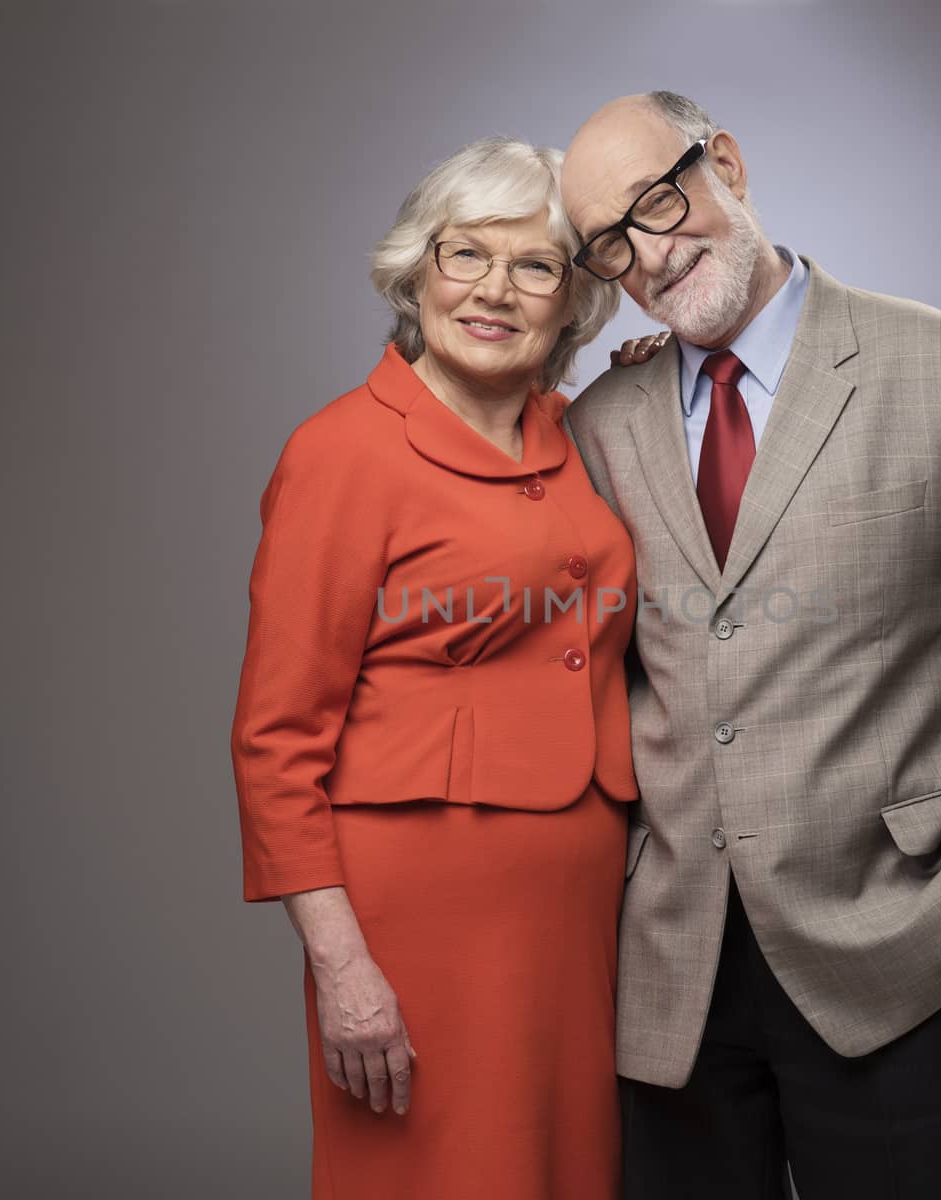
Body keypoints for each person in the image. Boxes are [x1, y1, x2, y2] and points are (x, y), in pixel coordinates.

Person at [560, 92, 941, 1199]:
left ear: (727, 163)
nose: (650, 258)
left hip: (900, 956)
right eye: (612, 243)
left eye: (661, 205)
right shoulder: (600, 425)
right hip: (670, 982)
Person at [228, 136, 639, 1200]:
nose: (493, 291)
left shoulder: (575, 433)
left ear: (573, 302)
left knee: (563, 1169)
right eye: (465, 255)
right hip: (420, 905)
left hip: (581, 899)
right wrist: (341, 966)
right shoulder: (342, 452)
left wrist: (657, 382)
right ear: (416, 273)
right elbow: (275, 739)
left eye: (535, 265)